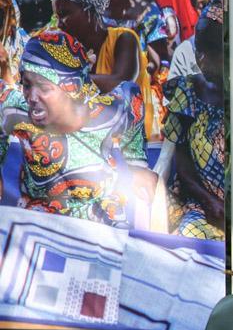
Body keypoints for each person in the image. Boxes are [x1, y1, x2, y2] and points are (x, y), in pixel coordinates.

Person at [0, 30, 152, 226]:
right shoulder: (17, 110)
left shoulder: (108, 113)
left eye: (44, 88)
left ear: (72, 87)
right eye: (27, 85)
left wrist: (137, 164)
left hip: (99, 220)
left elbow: (132, 94)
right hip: (38, 221)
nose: (31, 97)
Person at [51, 0, 161, 142]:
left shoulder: (124, 39)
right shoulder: (67, 51)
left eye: (65, 14)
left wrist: (65, 81)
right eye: (57, 17)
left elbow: (121, 83)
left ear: (89, 9)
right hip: (90, 148)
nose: (59, 24)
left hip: (129, 146)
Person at [158, 0, 222, 238]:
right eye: (199, 48)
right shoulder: (189, 90)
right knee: (191, 234)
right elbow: (182, 167)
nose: (202, 60)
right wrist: (209, 201)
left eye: (212, 51)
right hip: (202, 205)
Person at [166, 0, 219, 81]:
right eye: (203, 6)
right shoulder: (184, 52)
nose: (210, 10)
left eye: (216, 2)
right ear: (195, 9)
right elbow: (174, 94)